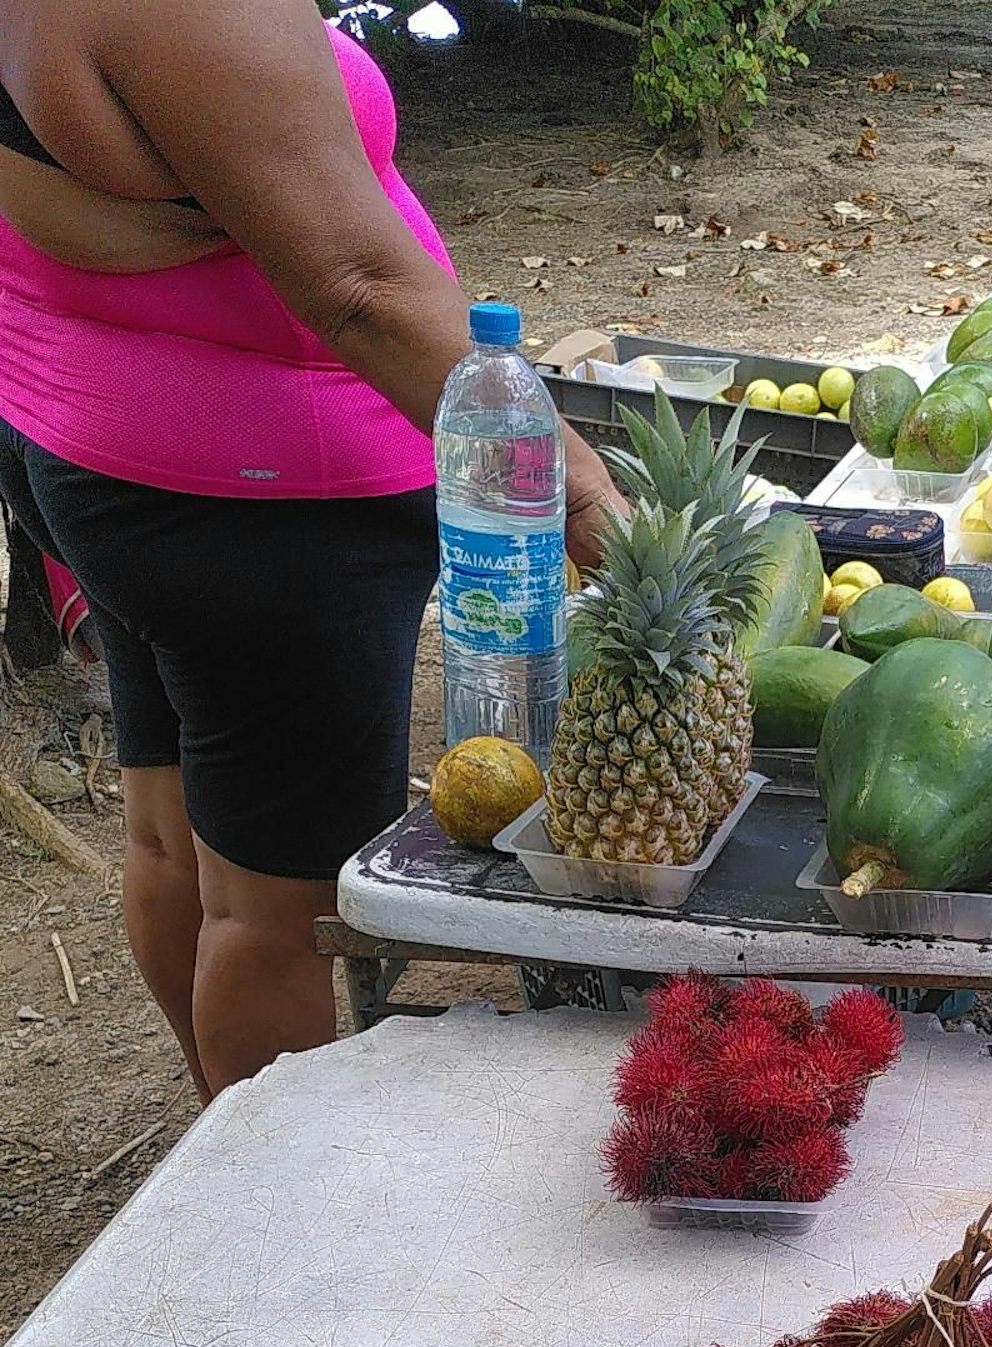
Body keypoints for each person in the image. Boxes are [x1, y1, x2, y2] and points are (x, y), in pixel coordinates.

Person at [0, 0, 617, 1099]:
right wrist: (581, 489)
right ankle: (266, 1204)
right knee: (277, 911)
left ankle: (217, 1131)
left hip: (102, 446)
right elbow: (358, 286)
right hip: (259, 508)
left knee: (175, 835)